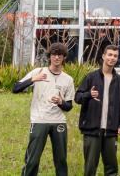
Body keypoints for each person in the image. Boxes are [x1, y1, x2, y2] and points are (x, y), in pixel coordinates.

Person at [13, 42, 76, 176]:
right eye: (54, 55)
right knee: (33, 160)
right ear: (50, 56)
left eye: (60, 55)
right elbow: (16, 88)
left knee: (61, 160)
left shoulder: (68, 79)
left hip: (59, 122)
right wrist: (33, 79)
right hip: (39, 120)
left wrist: (60, 102)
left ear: (64, 57)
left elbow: (69, 106)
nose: (57, 58)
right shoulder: (38, 72)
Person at [75, 44, 120, 176]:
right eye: (110, 55)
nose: (112, 58)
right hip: (92, 130)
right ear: (103, 56)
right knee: (90, 167)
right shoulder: (91, 77)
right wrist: (88, 95)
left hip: (111, 130)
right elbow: (77, 97)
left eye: (115, 56)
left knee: (111, 168)